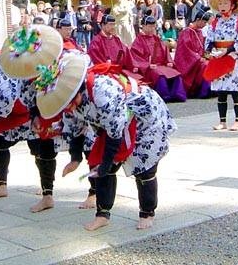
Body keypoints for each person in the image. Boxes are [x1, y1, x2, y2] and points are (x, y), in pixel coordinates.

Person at [60, 61, 177, 231]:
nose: (68, 106)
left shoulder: (102, 93)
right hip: (115, 123)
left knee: (143, 168)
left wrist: (107, 164)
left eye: (70, 100)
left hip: (145, 118)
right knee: (100, 166)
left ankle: (147, 212)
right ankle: (102, 214)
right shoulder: (68, 102)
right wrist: (75, 158)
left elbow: (115, 135)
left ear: (78, 91)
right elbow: (76, 129)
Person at [204, 0, 238, 131]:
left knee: (235, 92)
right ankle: (222, 121)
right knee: (221, 92)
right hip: (218, 57)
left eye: (225, 3)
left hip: (233, 58)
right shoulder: (215, 23)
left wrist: (229, 50)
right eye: (220, 3)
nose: (222, 5)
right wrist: (210, 49)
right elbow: (210, 38)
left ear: (233, 5)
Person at [130, 16, 186, 102]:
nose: (152, 29)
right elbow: (136, 58)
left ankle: (177, 95)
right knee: (160, 75)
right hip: (149, 68)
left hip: (161, 65)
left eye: (153, 26)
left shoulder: (156, 38)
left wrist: (169, 61)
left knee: (176, 74)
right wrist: (147, 65)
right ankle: (164, 96)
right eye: (150, 26)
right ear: (143, 26)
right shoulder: (138, 41)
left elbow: (165, 51)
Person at [87, 14, 140, 80]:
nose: (113, 27)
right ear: (103, 25)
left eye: (113, 24)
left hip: (120, 71)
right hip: (106, 73)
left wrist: (133, 65)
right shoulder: (96, 41)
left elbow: (126, 52)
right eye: (110, 24)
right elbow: (97, 61)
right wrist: (110, 68)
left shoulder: (116, 39)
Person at [174, 7, 212, 99]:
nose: (204, 24)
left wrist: (207, 55)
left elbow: (202, 47)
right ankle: (203, 92)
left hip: (198, 59)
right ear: (198, 20)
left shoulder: (199, 32)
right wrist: (199, 58)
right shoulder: (187, 32)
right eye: (204, 22)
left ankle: (211, 89)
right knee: (205, 65)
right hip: (190, 62)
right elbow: (185, 50)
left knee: (211, 63)